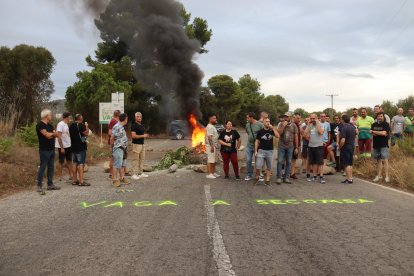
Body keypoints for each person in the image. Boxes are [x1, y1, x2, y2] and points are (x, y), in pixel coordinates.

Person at [36, 109, 60, 193]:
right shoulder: (40, 125)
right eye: (50, 115)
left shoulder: (50, 125)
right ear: (46, 116)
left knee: (51, 167)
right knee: (42, 168)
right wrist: (52, 134)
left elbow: (55, 135)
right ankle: (39, 186)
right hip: (44, 150)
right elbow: (46, 135)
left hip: (51, 149)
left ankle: (50, 184)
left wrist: (51, 134)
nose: (51, 116)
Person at [255, 118, 279, 185]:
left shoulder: (272, 131)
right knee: (258, 166)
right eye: (266, 121)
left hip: (270, 151)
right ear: (263, 123)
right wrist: (255, 151)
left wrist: (273, 128)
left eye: (269, 121)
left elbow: (277, 136)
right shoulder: (260, 131)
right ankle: (257, 177)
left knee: (269, 167)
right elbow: (257, 141)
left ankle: (267, 181)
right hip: (261, 150)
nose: (268, 123)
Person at [276, 112, 298, 184]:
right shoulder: (281, 124)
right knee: (279, 161)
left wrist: (296, 147)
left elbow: (296, 136)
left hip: (290, 146)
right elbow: (278, 134)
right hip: (281, 146)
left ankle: (286, 178)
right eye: (285, 116)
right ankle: (279, 177)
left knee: (289, 162)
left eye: (287, 116)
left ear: (291, 117)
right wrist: (283, 126)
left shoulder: (294, 125)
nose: (285, 118)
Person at [304, 113, 326, 184]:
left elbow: (321, 132)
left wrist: (316, 124)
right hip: (311, 146)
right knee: (313, 162)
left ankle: (321, 177)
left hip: (319, 146)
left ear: (317, 118)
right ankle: (314, 175)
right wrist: (308, 124)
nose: (312, 120)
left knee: (320, 162)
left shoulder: (320, 124)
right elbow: (305, 133)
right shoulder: (310, 125)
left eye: (314, 118)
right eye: (311, 118)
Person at [69, 114, 90, 186]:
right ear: (80, 119)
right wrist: (86, 126)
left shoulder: (71, 126)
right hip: (80, 147)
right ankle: (81, 181)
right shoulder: (81, 125)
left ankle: (74, 180)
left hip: (73, 147)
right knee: (81, 163)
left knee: (74, 163)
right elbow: (86, 133)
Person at [110, 113, 130, 187]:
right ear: (125, 119)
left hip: (123, 148)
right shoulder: (117, 126)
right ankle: (115, 180)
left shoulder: (122, 126)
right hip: (118, 148)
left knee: (122, 164)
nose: (127, 120)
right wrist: (112, 148)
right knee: (117, 165)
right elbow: (112, 137)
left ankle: (122, 178)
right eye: (127, 118)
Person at [371, 112, 391, 183]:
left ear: (383, 117)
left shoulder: (386, 124)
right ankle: (378, 176)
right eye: (378, 116)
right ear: (377, 117)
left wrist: (374, 131)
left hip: (384, 145)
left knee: (385, 160)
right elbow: (372, 134)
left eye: (381, 116)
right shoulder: (373, 124)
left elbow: (384, 133)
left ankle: (387, 176)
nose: (380, 117)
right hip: (376, 145)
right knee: (378, 161)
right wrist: (378, 132)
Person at [245, 112, 264, 181]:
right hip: (249, 145)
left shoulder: (260, 125)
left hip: (258, 146)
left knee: (258, 160)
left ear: (252, 118)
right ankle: (249, 174)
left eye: (248, 118)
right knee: (248, 159)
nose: (247, 119)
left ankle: (258, 174)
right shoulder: (247, 125)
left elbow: (263, 133)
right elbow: (247, 132)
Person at [55, 112, 73, 181]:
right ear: (67, 117)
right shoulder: (60, 124)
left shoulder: (66, 124)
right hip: (62, 146)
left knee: (69, 160)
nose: (70, 119)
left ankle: (71, 175)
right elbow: (59, 136)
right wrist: (62, 147)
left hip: (68, 145)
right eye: (69, 117)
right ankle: (60, 176)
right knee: (61, 161)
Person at [131, 112, 149, 180]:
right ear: (135, 117)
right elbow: (133, 136)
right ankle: (133, 174)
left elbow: (142, 134)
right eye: (138, 116)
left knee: (142, 159)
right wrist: (143, 135)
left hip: (142, 144)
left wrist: (145, 136)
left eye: (140, 117)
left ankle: (141, 173)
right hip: (136, 144)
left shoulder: (141, 125)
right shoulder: (134, 125)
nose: (139, 118)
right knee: (135, 159)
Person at [338, 114, 356, 184]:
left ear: (342, 120)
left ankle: (349, 179)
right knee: (350, 164)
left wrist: (339, 147)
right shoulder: (353, 127)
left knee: (346, 164)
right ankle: (350, 178)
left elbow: (342, 140)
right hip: (351, 146)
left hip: (345, 147)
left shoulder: (344, 128)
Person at [206, 114, 220, 179]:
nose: (215, 119)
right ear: (210, 119)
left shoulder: (212, 126)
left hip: (214, 145)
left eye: (215, 118)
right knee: (210, 160)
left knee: (213, 160)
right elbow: (209, 137)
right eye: (214, 118)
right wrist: (211, 146)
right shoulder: (209, 127)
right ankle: (209, 174)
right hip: (210, 146)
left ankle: (213, 172)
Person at [108, 110, 120, 177]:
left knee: (113, 158)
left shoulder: (113, 121)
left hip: (114, 142)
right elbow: (110, 132)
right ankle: (111, 173)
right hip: (113, 142)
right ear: (118, 115)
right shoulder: (114, 121)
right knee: (113, 158)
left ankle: (112, 173)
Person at [290, 113, 302, 179]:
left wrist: (298, 146)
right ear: (294, 118)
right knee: (288, 159)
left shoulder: (298, 125)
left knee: (294, 159)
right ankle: (285, 173)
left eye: (300, 118)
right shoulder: (291, 125)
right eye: (298, 118)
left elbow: (300, 135)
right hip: (290, 144)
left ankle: (292, 173)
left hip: (296, 145)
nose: (299, 119)